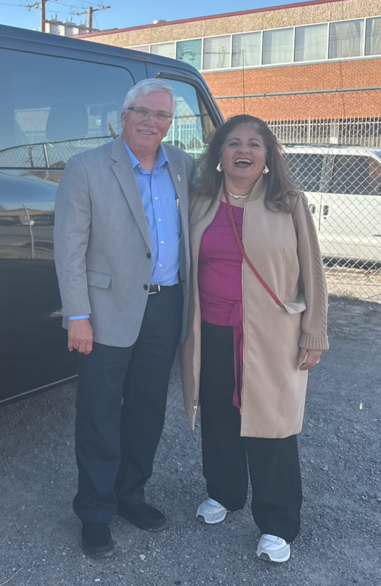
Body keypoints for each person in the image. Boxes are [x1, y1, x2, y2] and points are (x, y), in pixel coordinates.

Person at [54, 79, 195, 558]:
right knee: (98, 415)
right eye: (143, 111)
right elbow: (69, 249)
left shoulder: (184, 166)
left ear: (170, 123)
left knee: (147, 410)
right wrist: (78, 315)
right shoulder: (87, 168)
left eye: (162, 115)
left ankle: (130, 495)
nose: (151, 122)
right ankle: (95, 511)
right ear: (123, 115)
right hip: (104, 311)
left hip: (165, 306)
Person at [181, 114, 328, 564]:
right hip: (213, 331)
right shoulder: (201, 200)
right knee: (220, 417)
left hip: (272, 334)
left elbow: (313, 273)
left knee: (272, 426)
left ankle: (278, 523)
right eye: (233, 143)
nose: (243, 150)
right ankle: (224, 494)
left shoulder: (289, 201)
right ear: (219, 156)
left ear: (267, 157)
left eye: (255, 144)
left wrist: (314, 332)